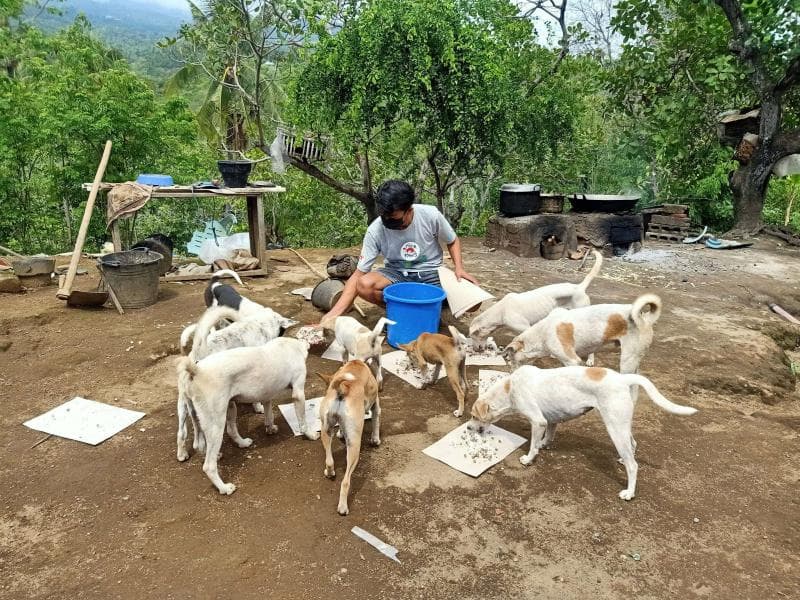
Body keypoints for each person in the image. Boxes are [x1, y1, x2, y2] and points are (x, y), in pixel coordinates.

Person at [321, 179, 478, 321]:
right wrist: (331, 316)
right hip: (397, 274)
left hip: (432, 273)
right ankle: (405, 313)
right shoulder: (375, 230)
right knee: (364, 285)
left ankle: (430, 306)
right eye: (386, 219)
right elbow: (358, 275)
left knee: (473, 301)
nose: (391, 224)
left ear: (409, 210)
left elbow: (452, 240)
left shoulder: (430, 215)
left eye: (396, 220)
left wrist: (459, 268)